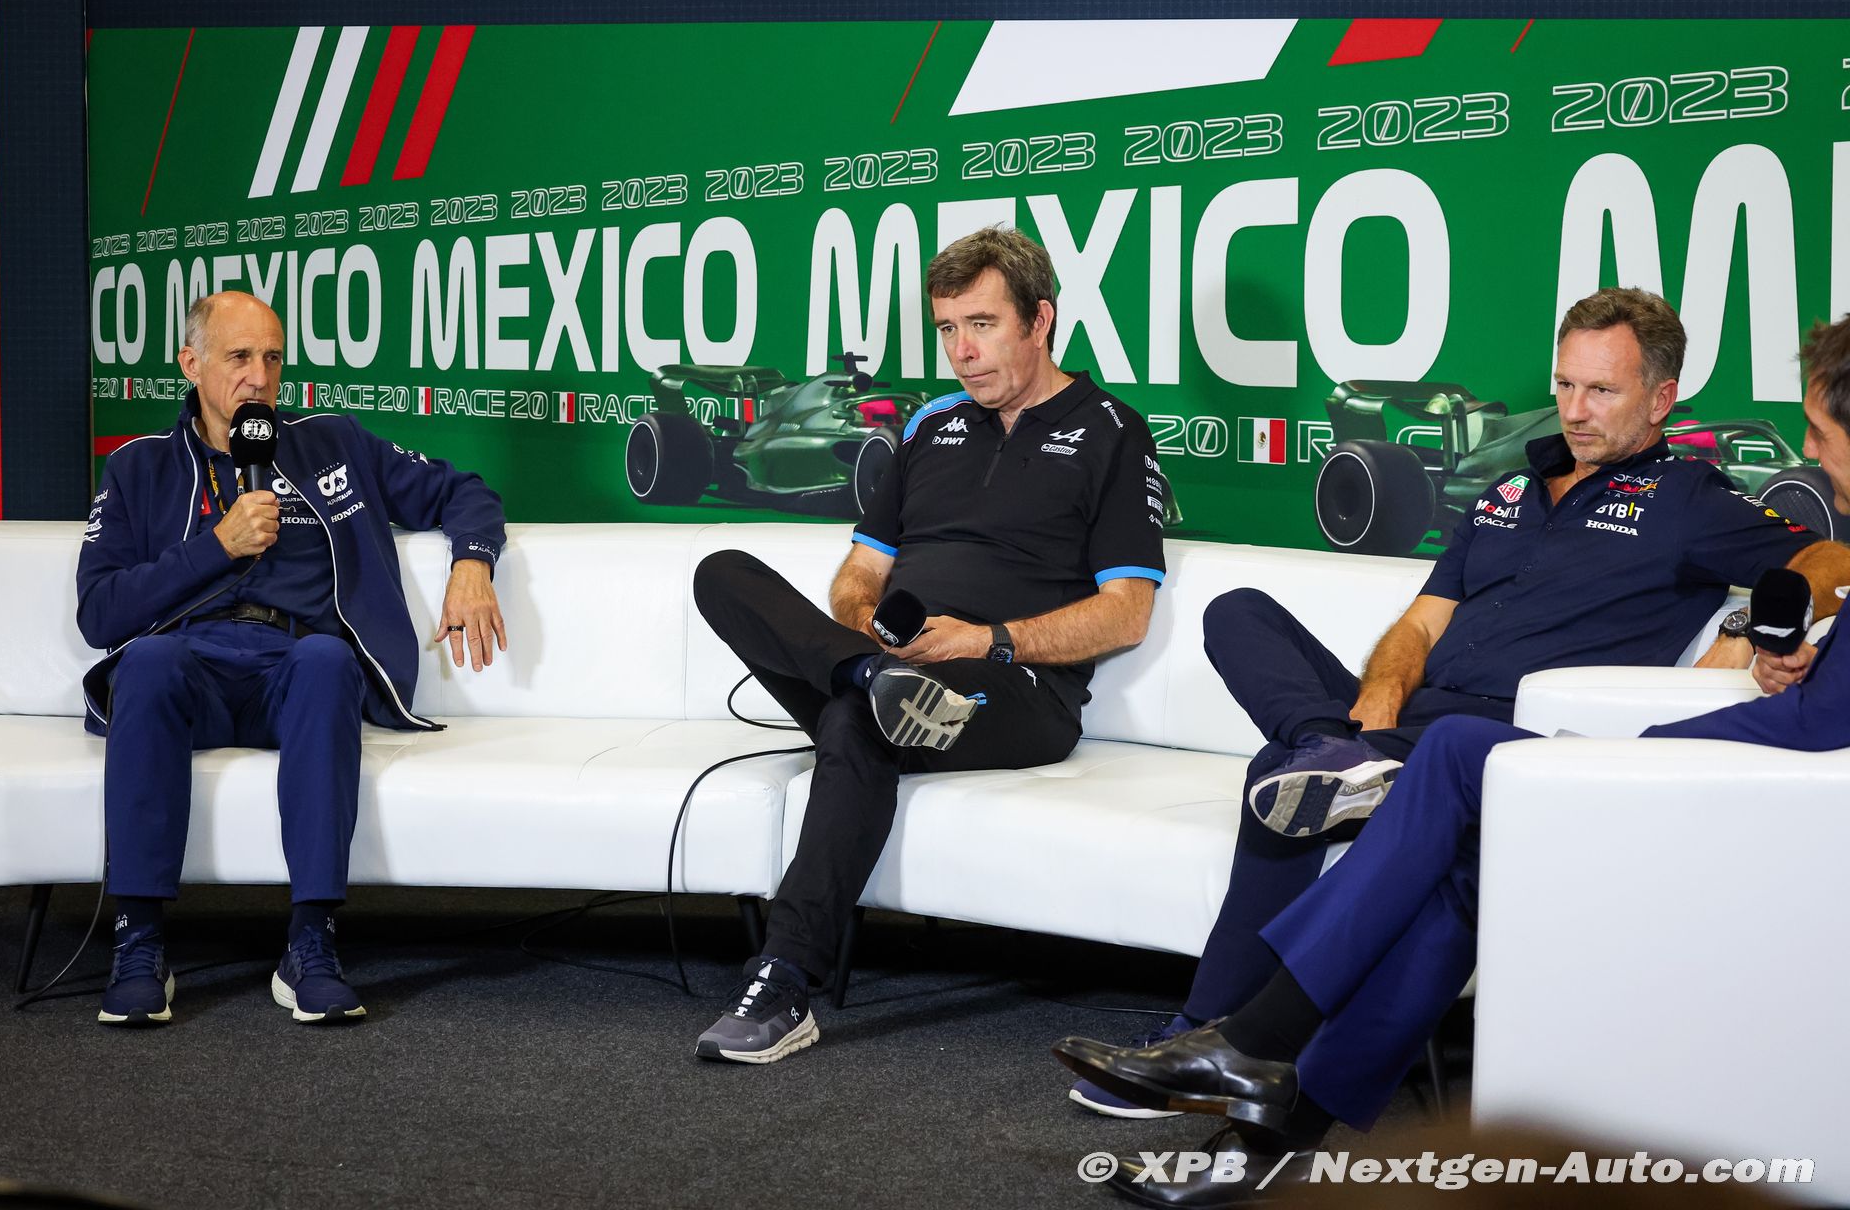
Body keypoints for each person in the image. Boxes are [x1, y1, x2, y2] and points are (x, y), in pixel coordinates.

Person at [1053, 313, 1850, 1208]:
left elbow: (1823, 556)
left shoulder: (1691, 498)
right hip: (1409, 724)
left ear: (1662, 399)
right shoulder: (1509, 491)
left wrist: (1750, 625)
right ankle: (1328, 757)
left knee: (1312, 780)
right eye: (1565, 384)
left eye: (1602, 390)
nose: (1575, 409)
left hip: (1516, 740)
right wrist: (1380, 694)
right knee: (1245, 626)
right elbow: (1424, 620)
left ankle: (1225, 1040)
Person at [690, 226, 1167, 1062]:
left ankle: (785, 978)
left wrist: (985, 638)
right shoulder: (930, 426)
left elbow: (1127, 613)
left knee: (857, 722)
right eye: (948, 329)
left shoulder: (1112, 433)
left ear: (1040, 320)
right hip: (892, 663)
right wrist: (866, 629)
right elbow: (858, 574)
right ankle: (868, 678)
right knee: (722, 573)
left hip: (1015, 689)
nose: (962, 352)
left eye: (982, 324)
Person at [77, 291, 508, 1026]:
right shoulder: (137, 468)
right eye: (240, 357)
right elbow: (99, 613)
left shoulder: (332, 444)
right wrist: (218, 545)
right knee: (144, 663)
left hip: (293, 667)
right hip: (191, 669)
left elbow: (464, 490)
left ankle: (312, 942)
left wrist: (473, 562)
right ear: (191, 364)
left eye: (272, 358)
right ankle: (139, 940)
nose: (260, 376)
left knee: (328, 662)